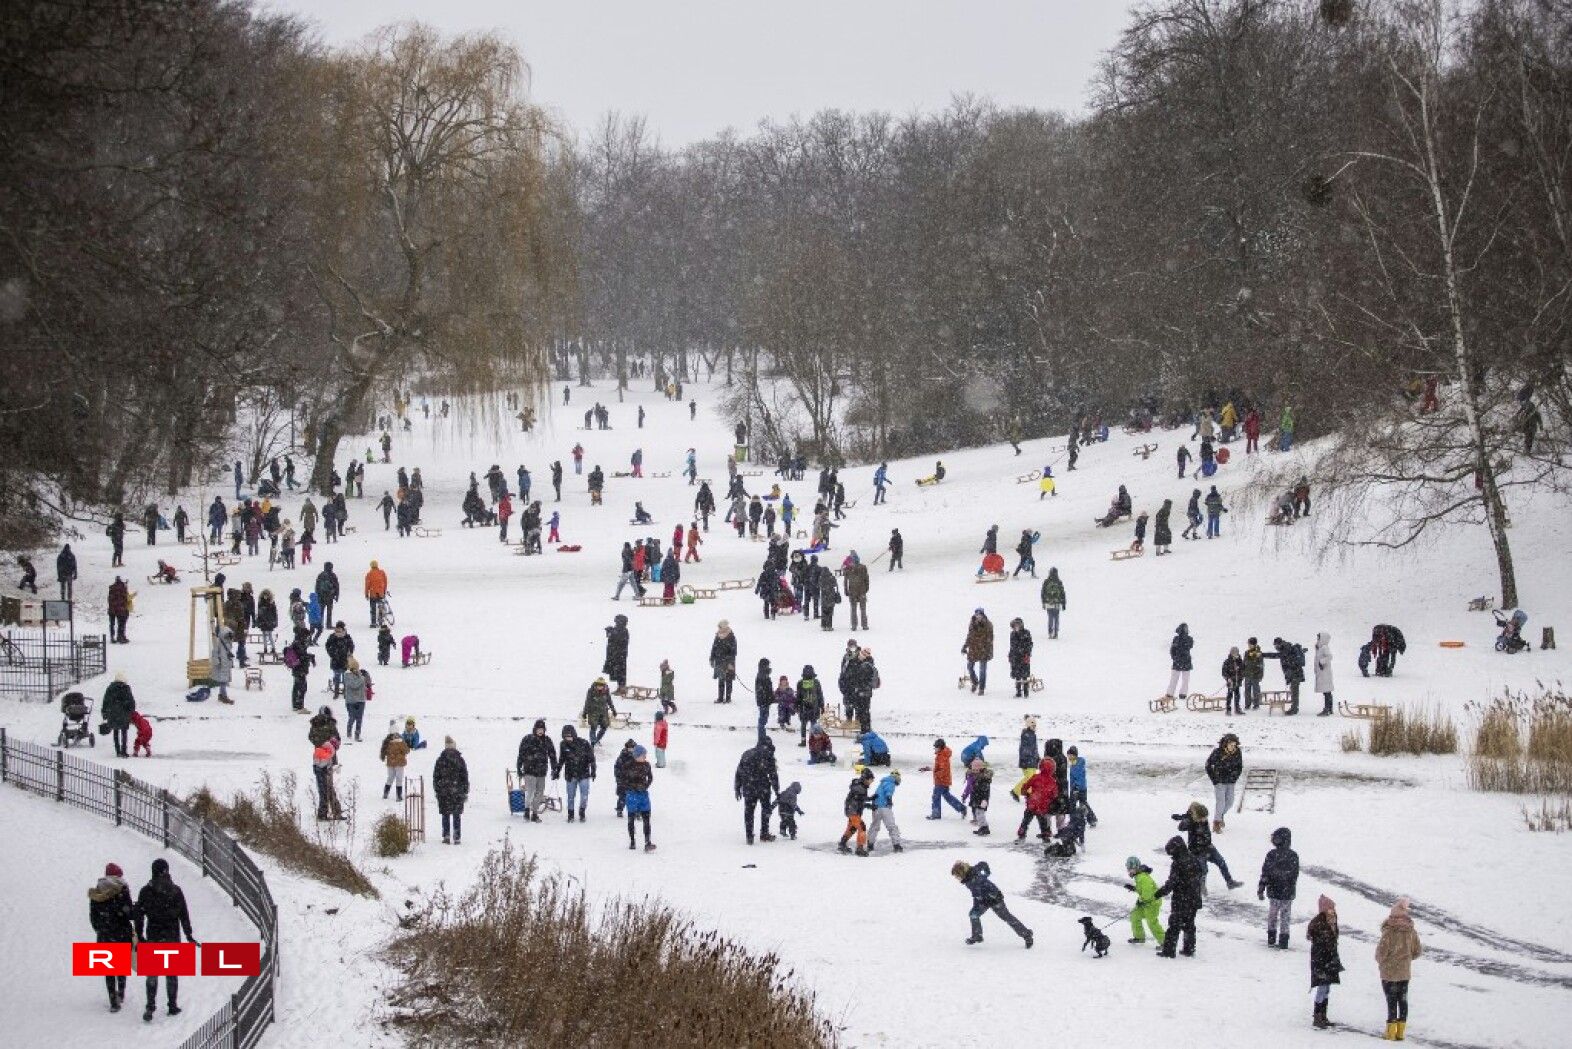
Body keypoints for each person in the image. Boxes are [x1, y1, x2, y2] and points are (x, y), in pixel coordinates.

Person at [134, 858, 195, 1021]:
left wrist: (140, 936)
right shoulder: (176, 891)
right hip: (172, 936)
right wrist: (188, 934)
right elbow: (184, 914)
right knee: (172, 973)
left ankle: (150, 1006)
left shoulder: (145, 891)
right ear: (166, 871)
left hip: (153, 935)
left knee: (152, 973)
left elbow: (139, 916)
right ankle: (172, 1005)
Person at [89, 861, 136, 1011]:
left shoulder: (97, 891)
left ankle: (112, 999)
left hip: (105, 935)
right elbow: (129, 913)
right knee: (121, 965)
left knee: (109, 968)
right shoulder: (122, 889)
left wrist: (100, 929)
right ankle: (121, 992)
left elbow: (93, 915)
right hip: (121, 932)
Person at [952, 861, 1033, 947]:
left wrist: (980, 902)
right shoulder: (974, 870)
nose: (957, 878)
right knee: (973, 915)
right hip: (984, 899)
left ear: (962, 873)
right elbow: (983, 864)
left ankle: (1027, 935)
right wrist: (987, 872)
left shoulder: (973, 881)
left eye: (957, 876)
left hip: (995, 898)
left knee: (1006, 917)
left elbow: (977, 895)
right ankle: (977, 936)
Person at [1376, 897, 1423, 1041]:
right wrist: (1406, 959)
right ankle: (1400, 1032)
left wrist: (1381, 961)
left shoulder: (1389, 931)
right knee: (1403, 1000)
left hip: (1389, 972)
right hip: (1404, 972)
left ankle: (1390, 1032)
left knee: (1391, 1000)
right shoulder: (1411, 931)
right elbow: (1417, 951)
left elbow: (1381, 952)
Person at [1153, 835, 1204, 958]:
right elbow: (1201, 874)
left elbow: (1172, 882)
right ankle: (1189, 948)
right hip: (1194, 898)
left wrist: (1159, 893)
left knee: (1174, 926)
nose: (1171, 856)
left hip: (1181, 900)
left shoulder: (1178, 863)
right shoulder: (1193, 858)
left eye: (1171, 853)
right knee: (1189, 925)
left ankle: (1169, 951)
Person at [1175, 800, 1243, 888]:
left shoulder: (1203, 817)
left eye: (1205, 817)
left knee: (1221, 862)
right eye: (1202, 818)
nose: (1204, 820)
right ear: (1196, 816)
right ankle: (1201, 888)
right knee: (1203, 870)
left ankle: (1230, 882)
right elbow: (1180, 828)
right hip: (1197, 850)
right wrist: (1188, 818)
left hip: (1208, 847)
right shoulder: (1190, 821)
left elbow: (1206, 832)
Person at [1259, 826, 1300, 949]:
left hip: (1275, 890)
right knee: (1285, 917)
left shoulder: (1272, 855)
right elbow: (1294, 874)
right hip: (1286, 891)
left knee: (1273, 915)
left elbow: (1265, 872)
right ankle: (1283, 940)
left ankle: (1272, 937)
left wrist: (1262, 886)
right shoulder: (1292, 855)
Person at [734, 737, 780, 844]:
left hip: (748, 787)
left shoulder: (746, 754)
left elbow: (739, 771)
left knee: (749, 812)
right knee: (766, 809)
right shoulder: (769, 755)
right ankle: (764, 834)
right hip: (763, 787)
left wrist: (737, 788)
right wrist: (777, 790)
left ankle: (749, 837)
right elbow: (773, 775)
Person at [1309, 895, 1344, 1029]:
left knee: (1326, 988)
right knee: (1322, 987)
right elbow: (1320, 941)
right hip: (1322, 960)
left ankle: (1322, 1015)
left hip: (1329, 959)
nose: (1333, 910)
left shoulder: (1332, 921)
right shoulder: (1319, 923)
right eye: (1330, 908)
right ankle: (1318, 1015)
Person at [516, 719, 559, 822]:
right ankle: (527, 811)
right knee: (530, 792)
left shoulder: (547, 740)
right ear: (535, 729)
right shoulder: (527, 739)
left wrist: (554, 769)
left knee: (539, 793)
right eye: (538, 729)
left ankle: (534, 813)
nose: (540, 731)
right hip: (529, 771)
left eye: (542, 729)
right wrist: (519, 767)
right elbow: (521, 754)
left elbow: (552, 755)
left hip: (541, 771)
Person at [433, 736, 469, 844]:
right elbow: (464, 776)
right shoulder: (460, 759)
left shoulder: (440, 759)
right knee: (456, 814)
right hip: (457, 790)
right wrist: (465, 789)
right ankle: (457, 836)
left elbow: (436, 776)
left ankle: (446, 835)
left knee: (445, 814)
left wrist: (437, 789)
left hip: (444, 791)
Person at [557, 724, 596, 821]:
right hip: (570, 774)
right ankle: (570, 814)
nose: (568, 738)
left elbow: (591, 758)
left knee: (584, 796)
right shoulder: (563, 745)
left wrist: (593, 770)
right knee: (570, 796)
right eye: (566, 736)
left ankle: (582, 811)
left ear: (574, 734)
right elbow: (561, 760)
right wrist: (557, 771)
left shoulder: (584, 743)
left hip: (583, 773)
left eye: (570, 736)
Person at [1124, 855, 1165, 945]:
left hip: (1152, 903)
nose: (1128, 871)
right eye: (1128, 869)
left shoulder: (1143, 878)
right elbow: (1143, 890)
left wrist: (1141, 900)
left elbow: (1147, 894)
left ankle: (1165, 942)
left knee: (1152, 922)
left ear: (1135, 868)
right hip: (1145, 903)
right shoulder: (1139, 876)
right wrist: (1134, 888)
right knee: (1135, 915)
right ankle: (1139, 937)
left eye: (1130, 869)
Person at [1206, 734, 1243, 831]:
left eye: (1234, 745)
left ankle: (1220, 815)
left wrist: (1235, 777)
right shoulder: (1217, 752)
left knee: (1230, 802)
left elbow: (1239, 767)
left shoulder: (1238, 752)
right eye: (1231, 744)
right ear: (1226, 744)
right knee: (1221, 802)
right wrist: (1214, 779)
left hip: (1231, 782)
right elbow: (1208, 765)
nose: (1233, 747)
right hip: (1219, 782)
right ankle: (1216, 823)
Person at [1016, 757, 1057, 840]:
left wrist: (1026, 794)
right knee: (1043, 822)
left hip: (1032, 803)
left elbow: (1025, 786)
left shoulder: (1035, 777)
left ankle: (1022, 831)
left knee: (1026, 820)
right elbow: (1054, 794)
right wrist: (1050, 799)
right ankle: (1045, 834)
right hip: (1042, 806)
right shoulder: (1052, 781)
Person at [1263, 635, 1307, 714]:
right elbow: (1277, 656)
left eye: (1276, 645)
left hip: (1295, 674)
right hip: (1294, 673)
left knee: (1294, 691)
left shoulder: (1285, 650)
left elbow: (1275, 656)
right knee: (1294, 691)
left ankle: (1294, 709)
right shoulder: (1286, 649)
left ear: (1279, 644)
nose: (1275, 647)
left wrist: (1263, 655)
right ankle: (1294, 708)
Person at [925, 739, 967, 820]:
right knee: (947, 796)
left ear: (940, 747)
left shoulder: (942, 756)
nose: (935, 748)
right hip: (944, 780)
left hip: (941, 780)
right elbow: (939, 768)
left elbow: (943, 771)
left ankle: (936, 814)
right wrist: (930, 769)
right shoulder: (942, 754)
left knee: (936, 797)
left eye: (936, 747)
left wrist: (936, 774)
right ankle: (962, 808)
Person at [624, 745, 655, 851]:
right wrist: (632, 787)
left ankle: (648, 842)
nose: (645, 757)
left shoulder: (647, 765)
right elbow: (623, 780)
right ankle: (632, 841)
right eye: (643, 755)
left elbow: (650, 778)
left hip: (643, 795)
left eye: (645, 755)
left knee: (647, 819)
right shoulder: (628, 765)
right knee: (631, 819)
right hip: (632, 795)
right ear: (637, 756)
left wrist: (646, 785)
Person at [866, 768, 904, 852]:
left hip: (876, 807)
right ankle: (896, 844)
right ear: (897, 777)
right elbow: (888, 791)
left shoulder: (882, 783)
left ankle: (870, 844)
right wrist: (889, 799)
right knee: (891, 826)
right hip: (884, 807)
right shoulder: (891, 782)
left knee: (874, 826)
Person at [962, 608, 994, 695]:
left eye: (980, 615)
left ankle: (981, 688)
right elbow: (969, 636)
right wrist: (965, 646)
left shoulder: (988, 624)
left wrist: (987, 650)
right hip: (973, 649)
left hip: (984, 650)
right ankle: (975, 682)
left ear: (983, 615)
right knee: (970, 667)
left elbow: (990, 639)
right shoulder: (972, 623)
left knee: (982, 670)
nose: (978, 616)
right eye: (977, 615)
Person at [582, 677, 618, 747]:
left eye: (601, 685)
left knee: (604, 727)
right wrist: (585, 712)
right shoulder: (591, 691)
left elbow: (609, 701)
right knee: (593, 727)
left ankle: (597, 740)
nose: (600, 686)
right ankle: (592, 742)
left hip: (603, 712)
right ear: (596, 685)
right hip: (593, 712)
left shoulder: (606, 691)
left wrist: (613, 710)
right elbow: (587, 702)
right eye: (598, 685)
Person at [1011, 715, 1040, 801]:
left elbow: (1034, 748)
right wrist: (1030, 756)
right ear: (1028, 725)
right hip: (1028, 761)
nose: (1034, 727)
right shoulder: (1026, 734)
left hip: (1032, 760)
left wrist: (1037, 756)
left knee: (1031, 778)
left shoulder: (1032, 734)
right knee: (1030, 778)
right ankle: (1016, 791)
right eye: (1032, 725)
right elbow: (1024, 749)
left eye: (1035, 725)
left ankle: (1028, 794)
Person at [341, 658, 370, 742]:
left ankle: (357, 734)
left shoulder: (360, 675)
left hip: (361, 700)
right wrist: (362, 679)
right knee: (352, 717)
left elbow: (362, 685)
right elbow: (354, 685)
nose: (357, 670)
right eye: (356, 668)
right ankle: (349, 733)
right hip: (351, 701)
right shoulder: (347, 676)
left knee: (359, 719)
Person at [710, 620, 737, 703]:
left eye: (720, 627)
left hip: (728, 662)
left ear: (724, 627)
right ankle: (720, 698)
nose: (719, 628)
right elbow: (714, 647)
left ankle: (728, 698)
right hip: (719, 661)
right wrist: (712, 658)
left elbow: (734, 652)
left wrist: (729, 662)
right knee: (721, 680)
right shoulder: (717, 636)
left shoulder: (731, 637)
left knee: (728, 680)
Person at [843, 551, 870, 630]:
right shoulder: (863, 568)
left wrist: (846, 590)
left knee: (853, 609)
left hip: (852, 592)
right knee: (863, 609)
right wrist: (866, 589)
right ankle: (864, 625)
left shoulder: (848, 569)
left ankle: (854, 625)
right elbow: (867, 579)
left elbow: (845, 581)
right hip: (862, 591)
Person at [603, 614, 630, 691]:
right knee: (616, 671)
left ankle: (622, 687)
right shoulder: (617, 629)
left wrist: (611, 632)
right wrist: (609, 631)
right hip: (613, 654)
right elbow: (611, 638)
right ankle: (620, 686)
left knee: (620, 671)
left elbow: (618, 638)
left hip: (619, 655)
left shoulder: (624, 630)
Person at [1167, 623, 1194, 699]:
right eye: (1185, 628)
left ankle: (1183, 694)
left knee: (1185, 680)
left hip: (1186, 662)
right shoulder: (1176, 638)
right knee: (1174, 679)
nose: (1186, 629)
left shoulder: (1189, 638)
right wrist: (1174, 658)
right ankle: (1170, 693)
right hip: (1178, 661)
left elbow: (1189, 645)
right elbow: (1172, 649)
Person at [1007, 618, 1032, 697]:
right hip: (1015, 656)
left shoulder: (1026, 633)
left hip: (1024, 656)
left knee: (1024, 675)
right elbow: (1012, 646)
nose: (1017, 626)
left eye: (1018, 625)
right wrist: (1010, 655)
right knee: (1017, 675)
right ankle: (1018, 691)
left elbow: (1029, 644)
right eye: (1015, 625)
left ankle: (1026, 691)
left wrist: (1027, 653)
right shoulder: (1013, 634)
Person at [1040, 567, 1065, 639]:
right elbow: (1062, 593)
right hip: (1057, 602)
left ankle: (1050, 632)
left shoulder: (1046, 581)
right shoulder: (1058, 581)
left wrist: (1043, 602)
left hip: (1048, 602)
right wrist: (1063, 603)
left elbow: (1043, 592)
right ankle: (1056, 633)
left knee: (1050, 617)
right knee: (1056, 618)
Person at [1314, 632, 1335, 716]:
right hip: (1322, 673)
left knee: (1327, 692)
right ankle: (1329, 708)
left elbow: (1329, 656)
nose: (1318, 639)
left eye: (1319, 638)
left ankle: (1327, 709)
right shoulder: (1320, 647)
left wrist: (1321, 662)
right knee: (1327, 692)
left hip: (1325, 673)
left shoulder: (1324, 647)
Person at [1222, 646, 1244, 715]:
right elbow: (1224, 672)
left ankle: (1237, 708)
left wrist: (1241, 676)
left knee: (1237, 695)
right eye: (1233, 652)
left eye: (1236, 652)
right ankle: (1228, 709)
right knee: (1229, 695)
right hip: (1231, 682)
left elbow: (1243, 671)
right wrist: (1228, 678)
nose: (1235, 654)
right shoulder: (1227, 661)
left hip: (1237, 681)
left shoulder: (1240, 661)